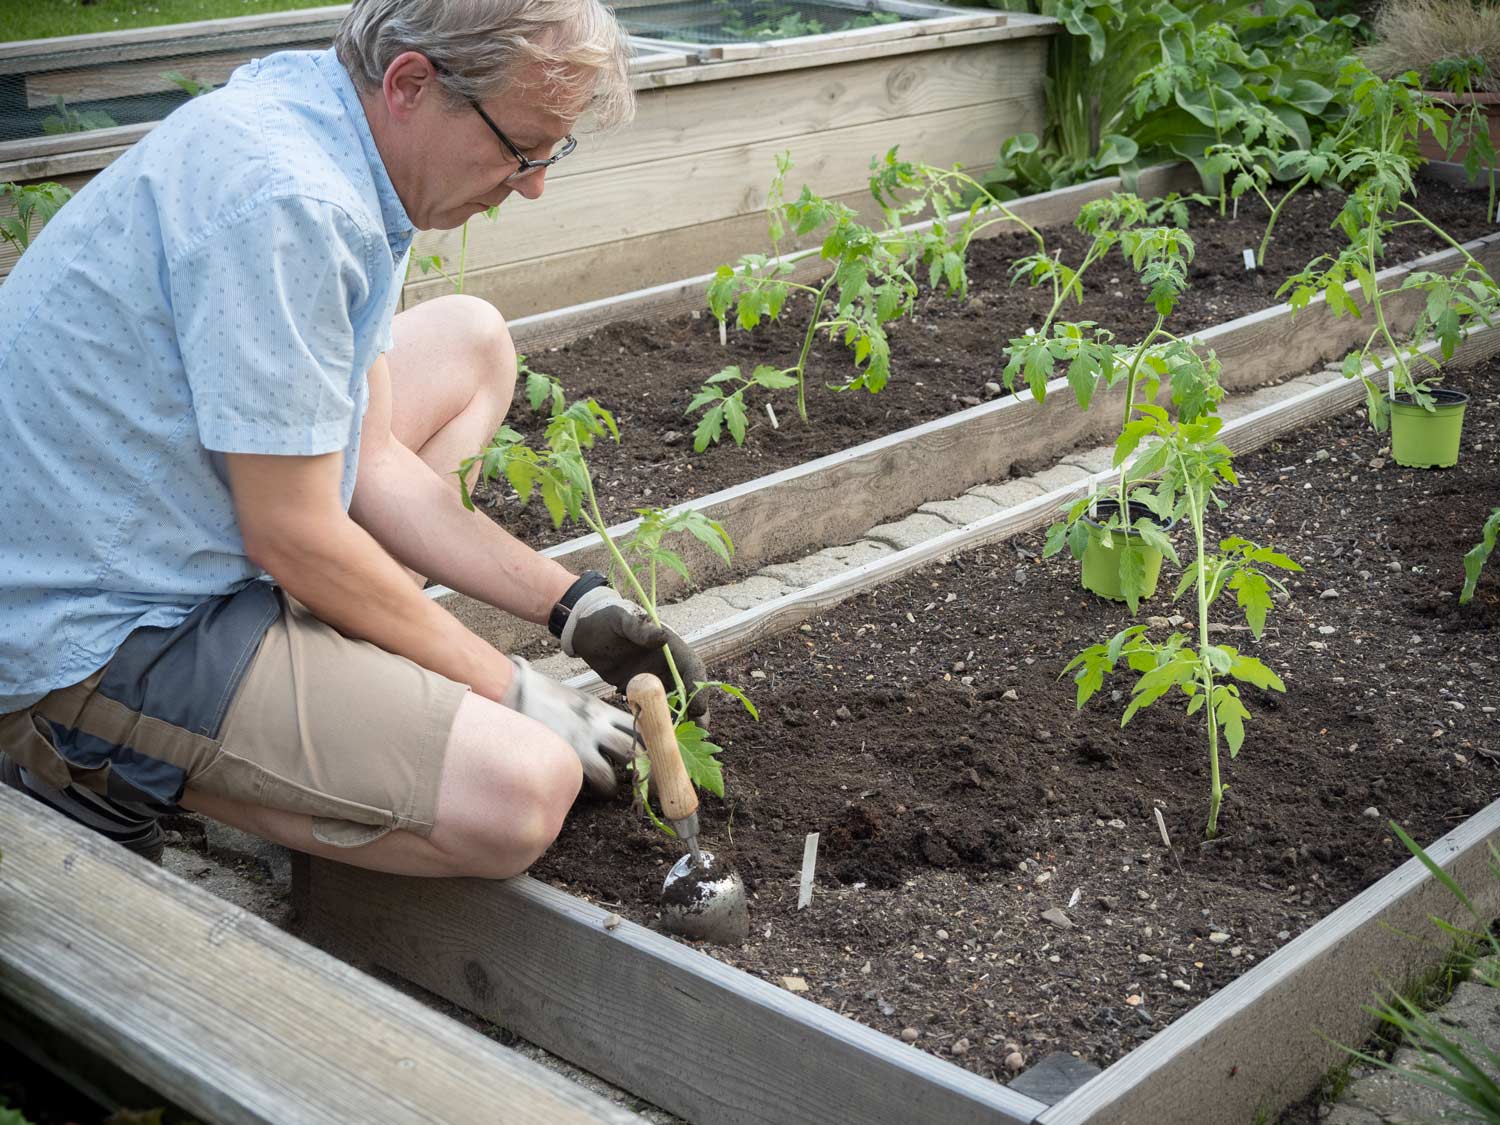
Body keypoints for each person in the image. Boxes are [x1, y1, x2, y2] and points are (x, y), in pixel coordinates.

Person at [0, 0, 705, 878]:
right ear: (413, 82)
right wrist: (510, 687)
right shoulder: (293, 199)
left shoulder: (346, 128)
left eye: (550, 151)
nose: (533, 184)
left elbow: (367, 462)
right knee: (522, 792)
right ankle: (84, 763)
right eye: (522, 146)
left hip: (159, 519)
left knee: (470, 343)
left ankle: (318, 686)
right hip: (93, 625)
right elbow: (294, 531)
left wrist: (573, 608)